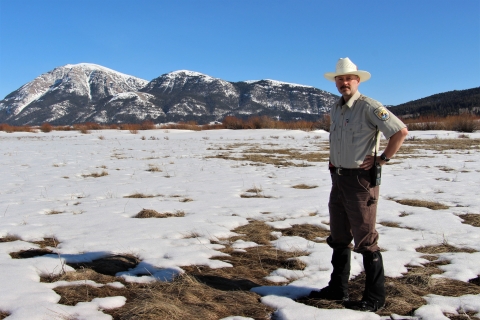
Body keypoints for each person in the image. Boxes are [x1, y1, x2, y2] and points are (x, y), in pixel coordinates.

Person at [308, 57, 408, 312]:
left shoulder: (369, 106)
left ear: (357, 80)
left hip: (360, 182)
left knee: (365, 237)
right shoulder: (337, 108)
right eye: (339, 79)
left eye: (348, 79)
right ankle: (337, 290)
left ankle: (375, 297)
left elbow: (400, 131)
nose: (343, 83)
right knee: (339, 236)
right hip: (338, 178)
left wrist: (382, 159)